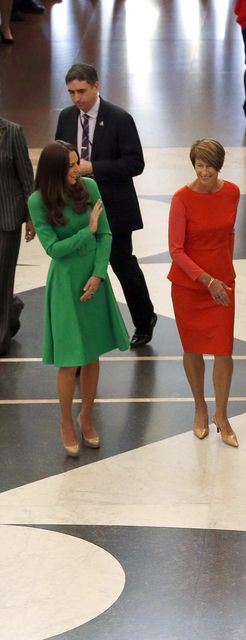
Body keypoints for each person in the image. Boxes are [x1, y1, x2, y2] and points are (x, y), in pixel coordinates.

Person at [28, 141, 130, 456]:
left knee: (91, 354)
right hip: (66, 282)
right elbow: (53, 250)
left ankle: (86, 416)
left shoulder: (90, 187)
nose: (78, 169)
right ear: (55, 171)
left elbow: (107, 234)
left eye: (77, 162)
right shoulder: (37, 201)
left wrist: (99, 275)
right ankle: (65, 422)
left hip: (93, 278)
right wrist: (87, 230)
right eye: (71, 165)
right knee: (69, 359)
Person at [54, 63, 157, 348]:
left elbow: (135, 163)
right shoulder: (65, 118)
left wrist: (93, 168)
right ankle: (81, 329)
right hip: (77, 208)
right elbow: (56, 157)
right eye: (71, 92)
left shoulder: (119, 119)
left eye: (82, 91)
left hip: (115, 206)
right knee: (80, 268)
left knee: (123, 264)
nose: (76, 98)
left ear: (96, 86)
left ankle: (144, 319)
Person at [167, 139, 241, 448]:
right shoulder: (181, 198)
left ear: (219, 165)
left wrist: (223, 274)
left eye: (209, 165)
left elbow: (229, 233)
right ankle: (200, 407)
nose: (204, 170)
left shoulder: (232, 192)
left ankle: (222, 415)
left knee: (224, 350)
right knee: (193, 349)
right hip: (189, 286)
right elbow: (176, 250)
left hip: (222, 285)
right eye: (199, 164)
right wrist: (206, 279)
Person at [0, 116, 34, 355]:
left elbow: (26, 178)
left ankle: (1, 339)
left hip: (7, 217)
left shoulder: (12, 132)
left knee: (2, 278)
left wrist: (31, 217)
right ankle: (13, 309)